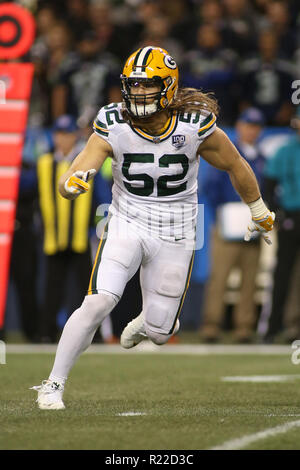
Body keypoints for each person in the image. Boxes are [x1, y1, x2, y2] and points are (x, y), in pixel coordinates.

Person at [30, 46, 275, 409]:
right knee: (99, 302)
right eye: (134, 85)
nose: (139, 93)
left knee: (161, 333)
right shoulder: (113, 122)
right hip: (127, 222)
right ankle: (53, 384)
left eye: (149, 85)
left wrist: (258, 209)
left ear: (169, 87)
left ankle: (151, 321)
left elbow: (236, 165)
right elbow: (73, 175)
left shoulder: (195, 124)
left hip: (176, 228)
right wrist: (72, 184)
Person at [36, 115, 112, 343]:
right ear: (54, 136)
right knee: (52, 287)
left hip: (80, 236)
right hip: (53, 236)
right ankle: (46, 332)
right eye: (59, 135)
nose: (63, 140)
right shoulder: (44, 163)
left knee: (86, 290)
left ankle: (94, 335)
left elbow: (102, 196)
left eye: (67, 134)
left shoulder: (87, 162)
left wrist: (101, 227)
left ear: (74, 137)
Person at [200, 108, 266, 343]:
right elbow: (210, 184)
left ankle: (244, 327)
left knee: (250, 278)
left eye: (256, 127)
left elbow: (266, 188)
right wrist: (225, 208)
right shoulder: (227, 150)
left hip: (252, 222)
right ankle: (211, 325)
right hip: (228, 222)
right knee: (220, 277)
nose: (252, 131)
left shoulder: (260, 157)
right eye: (248, 125)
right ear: (239, 126)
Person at [262, 107, 300, 342]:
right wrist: (277, 212)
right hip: (291, 216)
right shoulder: (285, 150)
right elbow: (268, 184)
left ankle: (292, 326)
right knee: (282, 273)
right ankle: (272, 327)